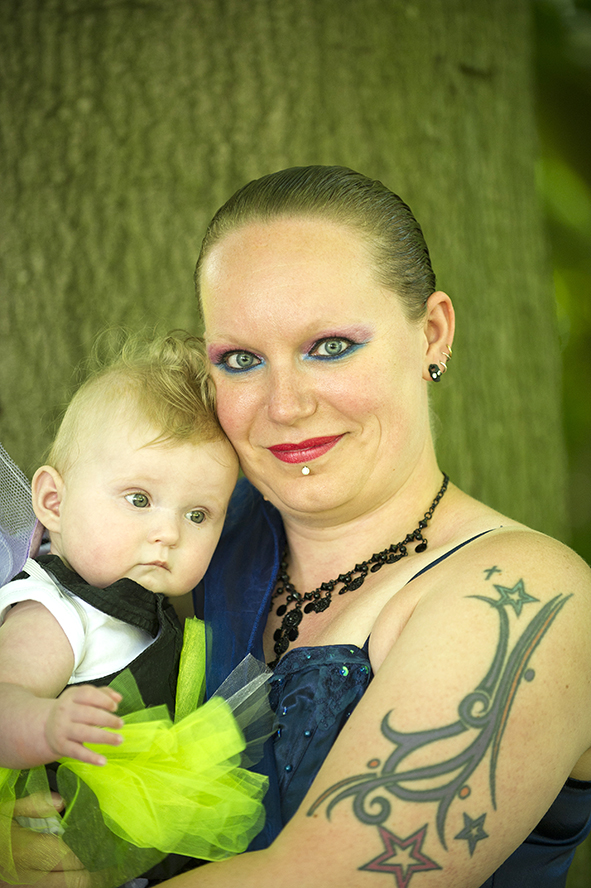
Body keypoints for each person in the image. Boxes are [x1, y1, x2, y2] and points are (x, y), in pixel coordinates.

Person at [12, 165, 591, 888]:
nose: (284, 405)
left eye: (331, 346)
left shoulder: (530, 595)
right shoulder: (186, 539)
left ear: (432, 335)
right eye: (241, 359)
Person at [0, 331, 271, 886]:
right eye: (139, 500)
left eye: (198, 515)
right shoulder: (55, 610)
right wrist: (48, 724)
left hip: (127, 835)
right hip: (56, 826)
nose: (168, 533)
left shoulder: (154, 604)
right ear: (53, 502)